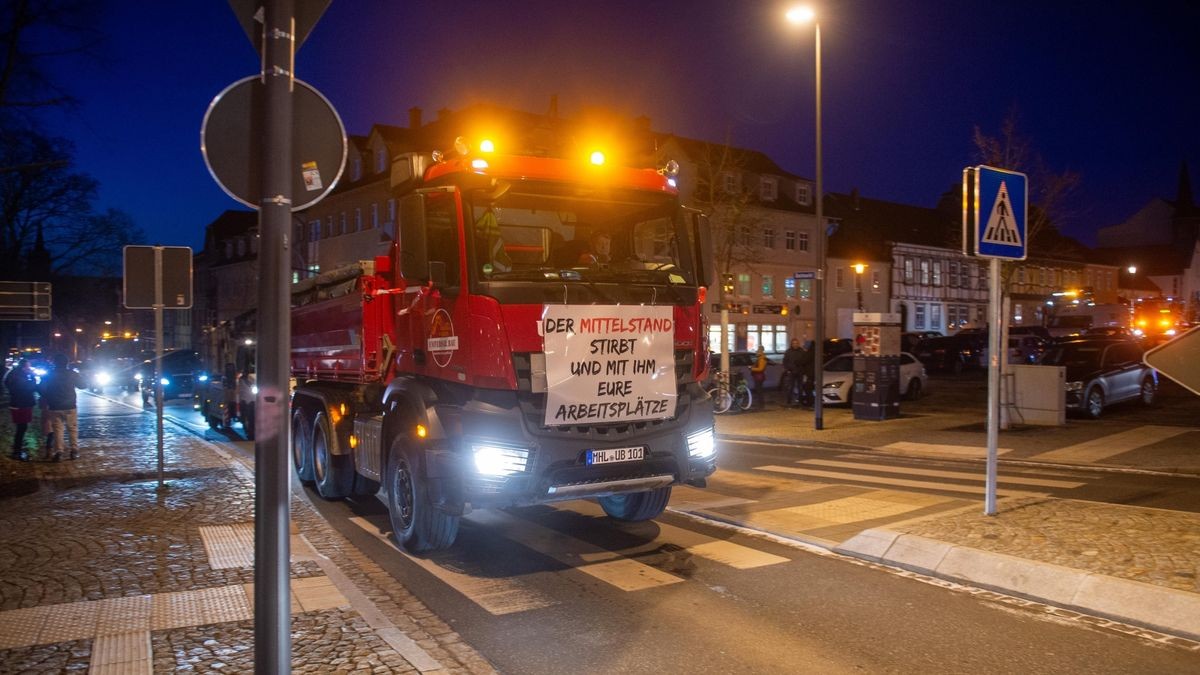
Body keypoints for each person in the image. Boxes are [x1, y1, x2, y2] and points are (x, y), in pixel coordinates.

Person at [37, 354, 84, 461]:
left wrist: (48, 396)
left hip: (55, 406)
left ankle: (59, 452)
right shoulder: (72, 374)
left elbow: (40, 388)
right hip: (70, 405)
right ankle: (74, 451)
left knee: (58, 429)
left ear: (54, 363)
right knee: (72, 428)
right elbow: (83, 385)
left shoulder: (49, 375)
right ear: (67, 363)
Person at [5, 358, 38, 461]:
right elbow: (30, 388)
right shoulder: (20, 376)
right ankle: (17, 451)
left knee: (21, 427)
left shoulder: (13, 374)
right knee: (22, 428)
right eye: (28, 366)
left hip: (17, 403)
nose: (29, 368)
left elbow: (8, 384)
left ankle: (18, 449)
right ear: (24, 367)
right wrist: (32, 378)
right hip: (22, 404)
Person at [782, 339, 805, 406]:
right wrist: (788, 370)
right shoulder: (788, 352)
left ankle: (800, 401)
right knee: (790, 387)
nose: (795, 344)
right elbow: (785, 362)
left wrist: (802, 369)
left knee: (800, 387)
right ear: (791, 344)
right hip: (791, 372)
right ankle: (789, 401)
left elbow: (804, 361)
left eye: (796, 343)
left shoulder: (802, 351)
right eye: (794, 343)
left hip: (800, 372)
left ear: (798, 344)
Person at [237, 368, 256, 440]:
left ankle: (250, 432)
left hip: (252, 401)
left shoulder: (252, 378)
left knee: (251, 419)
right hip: (245, 401)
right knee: (248, 418)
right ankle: (249, 432)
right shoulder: (242, 380)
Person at [797, 340, 816, 407]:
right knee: (808, 388)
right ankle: (810, 401)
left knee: (807, 388)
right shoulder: (814, 352)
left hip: (809, 373)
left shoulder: (809, 353)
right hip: (811, 373)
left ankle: (810, 402)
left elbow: (802, 361)